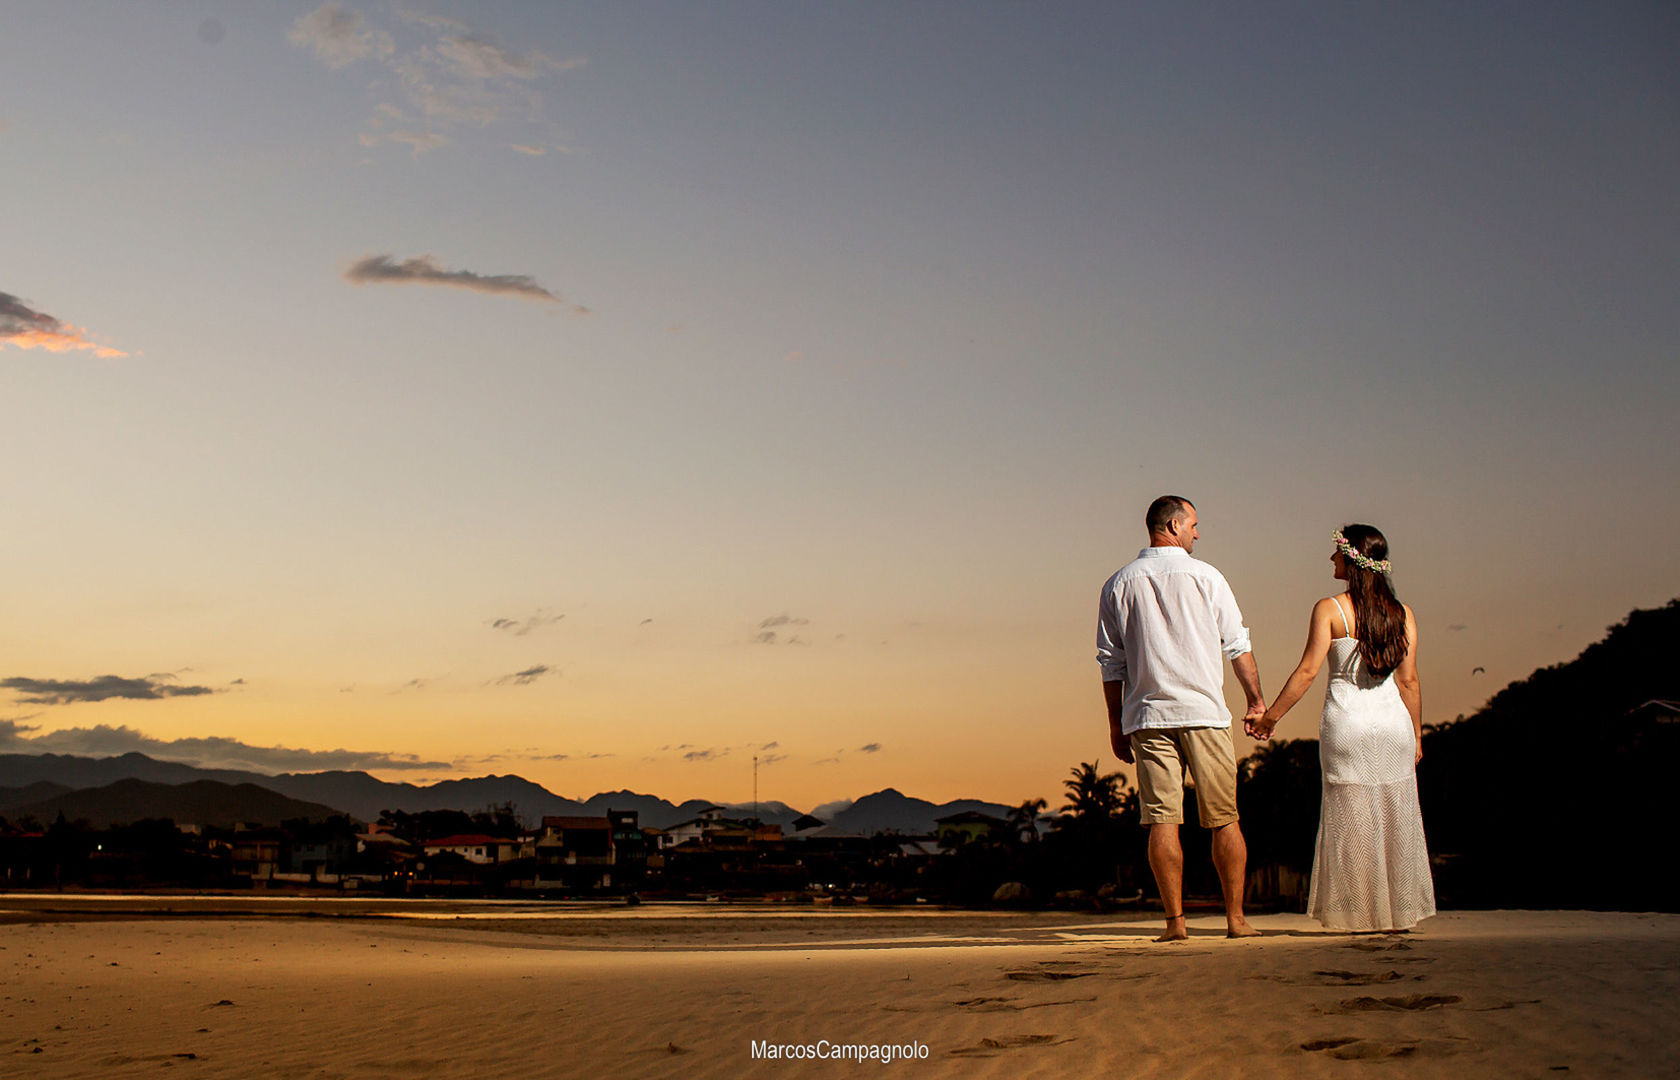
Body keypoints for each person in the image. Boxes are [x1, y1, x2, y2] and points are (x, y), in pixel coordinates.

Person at [1248, 524, 1436, 932]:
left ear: (1352, 560)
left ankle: (1361, 914)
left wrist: (1270, 718)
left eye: (1337, 552)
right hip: (1393, 726)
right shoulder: (1403, 615)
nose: (1331, 558)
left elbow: (1306, 672)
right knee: (1395, 816)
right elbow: (1409, 682)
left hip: (1347, 724)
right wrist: (1417, 735)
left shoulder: (1329, 609)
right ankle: (1397, 914)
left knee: (1351, 821)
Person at [1097, 495, 1265, 940]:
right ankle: (1235, 920)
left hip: (1148, 716)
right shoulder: (1208, 577)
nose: (1197, 533)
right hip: (1204, 713)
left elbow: (1111, 665)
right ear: (1172, 526)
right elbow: (1237, 646)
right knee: (1224, 817)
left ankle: (1175, 924)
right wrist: (1256, 701)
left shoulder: (1118, 584)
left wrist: (1116, 725)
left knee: (1161, 819)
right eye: (1193, 524)